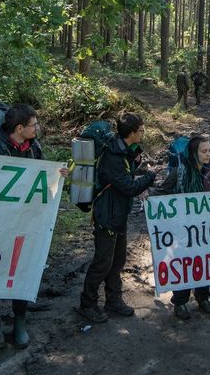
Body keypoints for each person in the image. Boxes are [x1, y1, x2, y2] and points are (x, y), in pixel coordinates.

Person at [0, 104, 68, 349]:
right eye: (34, 125)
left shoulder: (34, 149)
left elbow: (41, 181)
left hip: (25, 224)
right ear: (20, 128)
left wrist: (56, 175)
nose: (38, 128)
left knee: (22, 270)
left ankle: (19, 323)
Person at [79, 113, 156, 323]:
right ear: (131, 133)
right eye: (141, 130)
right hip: (107, 215)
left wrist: (135, 159)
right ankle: (87, 303)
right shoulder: (113, 157)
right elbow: (129, 186)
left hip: (118, 213)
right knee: (102, 262)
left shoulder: (121, 148)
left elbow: (125, 174)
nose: (143, 133)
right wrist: (150, 176)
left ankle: (113, 300)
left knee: (118, 260)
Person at [156, 135, 210, 319]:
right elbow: (162, 192)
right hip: (182, 230)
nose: (208, 155)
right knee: (183, 263)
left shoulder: (209, 171)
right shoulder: (179, 172)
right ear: (194, 153)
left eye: (209, 151)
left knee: (203, 263)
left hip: (205, 230)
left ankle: (203, 297)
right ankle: (180, 302)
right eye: (203, 151)